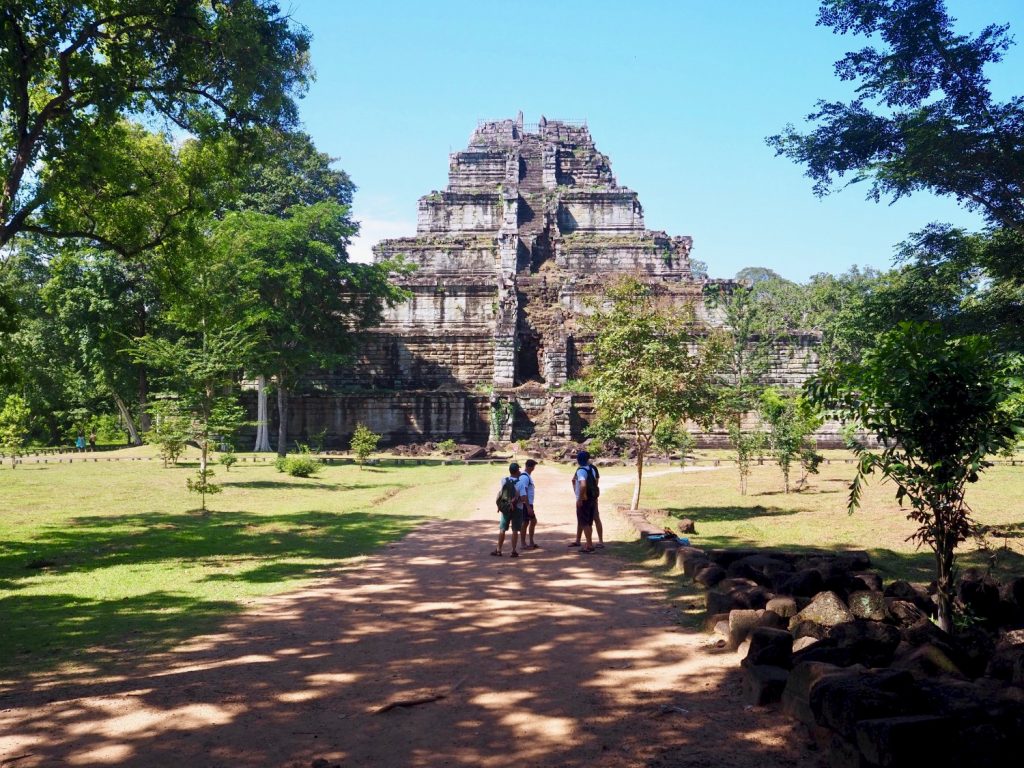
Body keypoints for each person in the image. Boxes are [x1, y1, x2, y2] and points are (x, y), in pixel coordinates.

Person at [492, 462, 527, 558]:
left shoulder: (504, 480)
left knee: (502, 529)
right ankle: (513, 551)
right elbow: (523, 498)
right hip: (517, 509)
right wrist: (515, 501)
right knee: (515, 530)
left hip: (506, 508)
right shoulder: (520, 483)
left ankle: (499, 549)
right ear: (517, 471)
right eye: (519, 470)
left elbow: (502, 493)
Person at [570, 450, 597, 553]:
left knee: (584, 522)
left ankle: (589, 545)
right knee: (589, 522)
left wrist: (580, 498)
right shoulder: (591, 469)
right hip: (592, 499)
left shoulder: (581, 471)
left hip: (584, 500)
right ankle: (588, 544)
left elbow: (583, 485)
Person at [520, 459, 539, 549]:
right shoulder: (524, 477)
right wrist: (528, 507)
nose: (533, 468)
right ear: (529, 467)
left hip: (528, 504)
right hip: (526, 504)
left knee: (531, 522)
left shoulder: (527, 476)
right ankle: (523, 543)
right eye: (533, 466)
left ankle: (531, 542)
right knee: (525, 523)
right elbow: (524, 492)